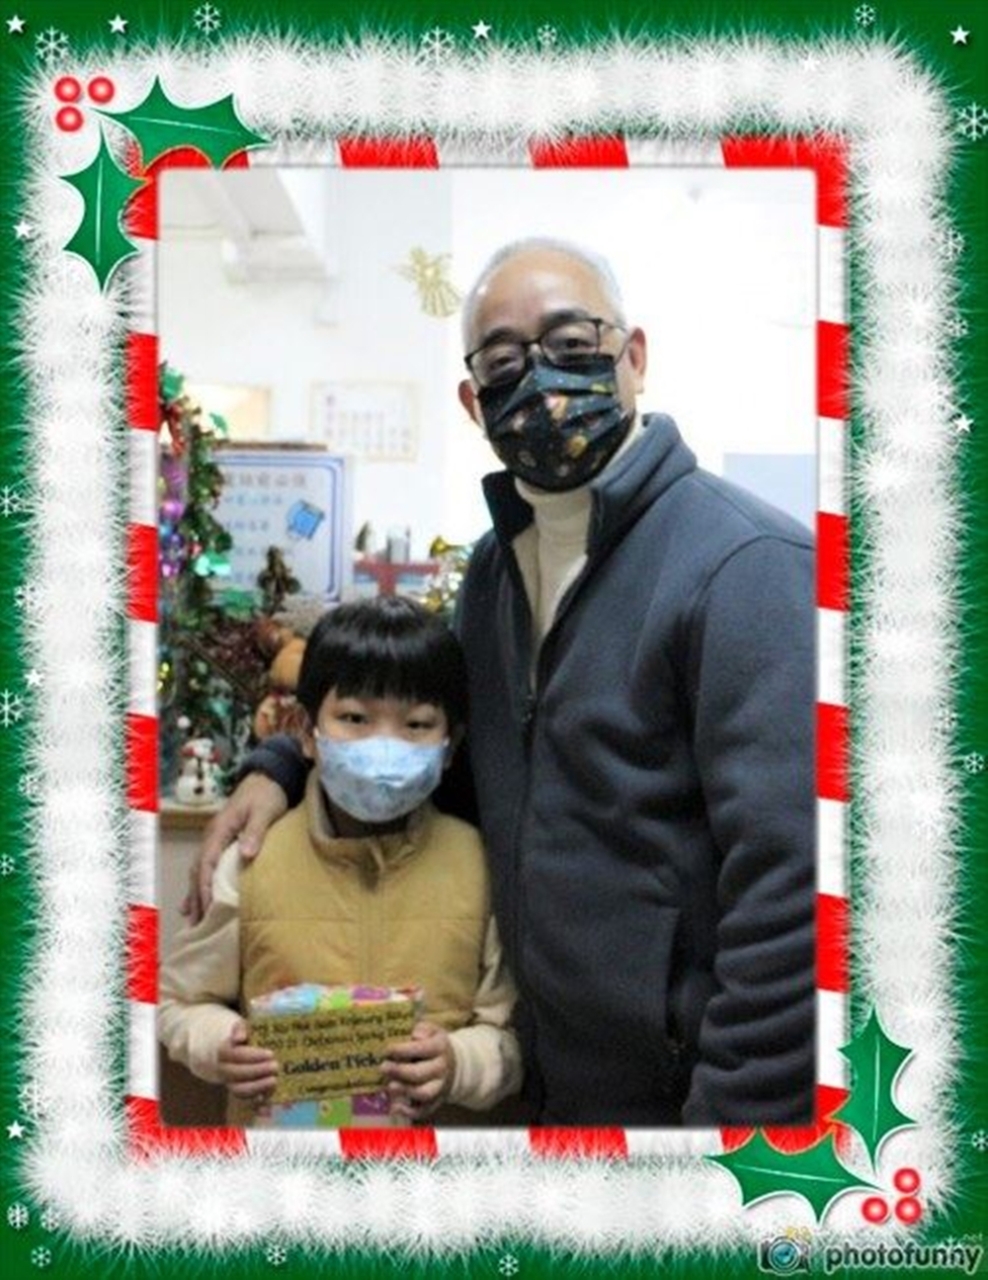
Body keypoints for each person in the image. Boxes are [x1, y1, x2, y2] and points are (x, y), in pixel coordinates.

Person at [189, 237, 816, 1127]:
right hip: (545, 1090)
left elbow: (796, 888)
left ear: (634, 356)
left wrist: (729, 1139)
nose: (542, 380)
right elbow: (434, 740)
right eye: (504, 361)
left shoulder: (745, 566)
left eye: (571, 344)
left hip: (682, 1106)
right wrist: (281, 767)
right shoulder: (494, 571)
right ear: (473, 399)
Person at [160, 596, 522, 1125]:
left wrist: (459, 1063)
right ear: (306, 731)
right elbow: (178, 1002)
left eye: (417, 724)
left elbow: (510, 1033)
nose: (385, 745)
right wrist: (222, 1043)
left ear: (450, 745)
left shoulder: (480, 867)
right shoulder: (253, 863)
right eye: (354, 718)